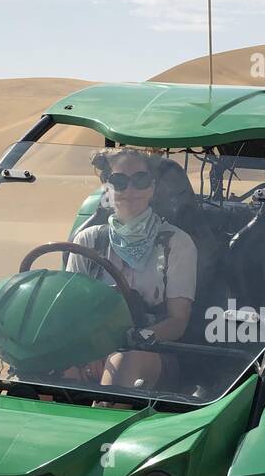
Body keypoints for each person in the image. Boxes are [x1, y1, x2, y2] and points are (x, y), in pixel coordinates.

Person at [67, 148, 197, 390]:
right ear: (107, 185)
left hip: (152, 352)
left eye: (140, 180)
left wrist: (135, 339)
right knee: (50, 366)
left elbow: (178, 321)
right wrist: (90, 351)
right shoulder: (87, 241)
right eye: (119, 181)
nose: (130, 191)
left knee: (124, 360)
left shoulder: (176, 242)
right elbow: (71, 311)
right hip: (93, 348)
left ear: (152, 187)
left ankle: (101, 421)